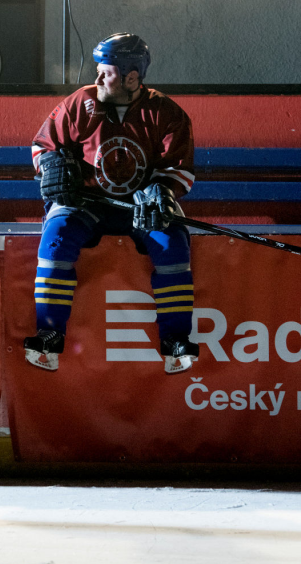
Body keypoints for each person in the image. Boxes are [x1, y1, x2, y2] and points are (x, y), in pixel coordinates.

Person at [26, 33, 199, 374]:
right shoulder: (80, 102)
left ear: (132, 76)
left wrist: (161, 192)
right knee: (57, 235)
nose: (98, 78)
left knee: (173, 243)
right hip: (86, 202)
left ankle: (175, 342)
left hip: (140, 207)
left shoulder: (166, 113)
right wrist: (51, 166)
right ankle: (48, 336)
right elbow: (42, 145)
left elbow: (180, 170)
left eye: (107, 72)